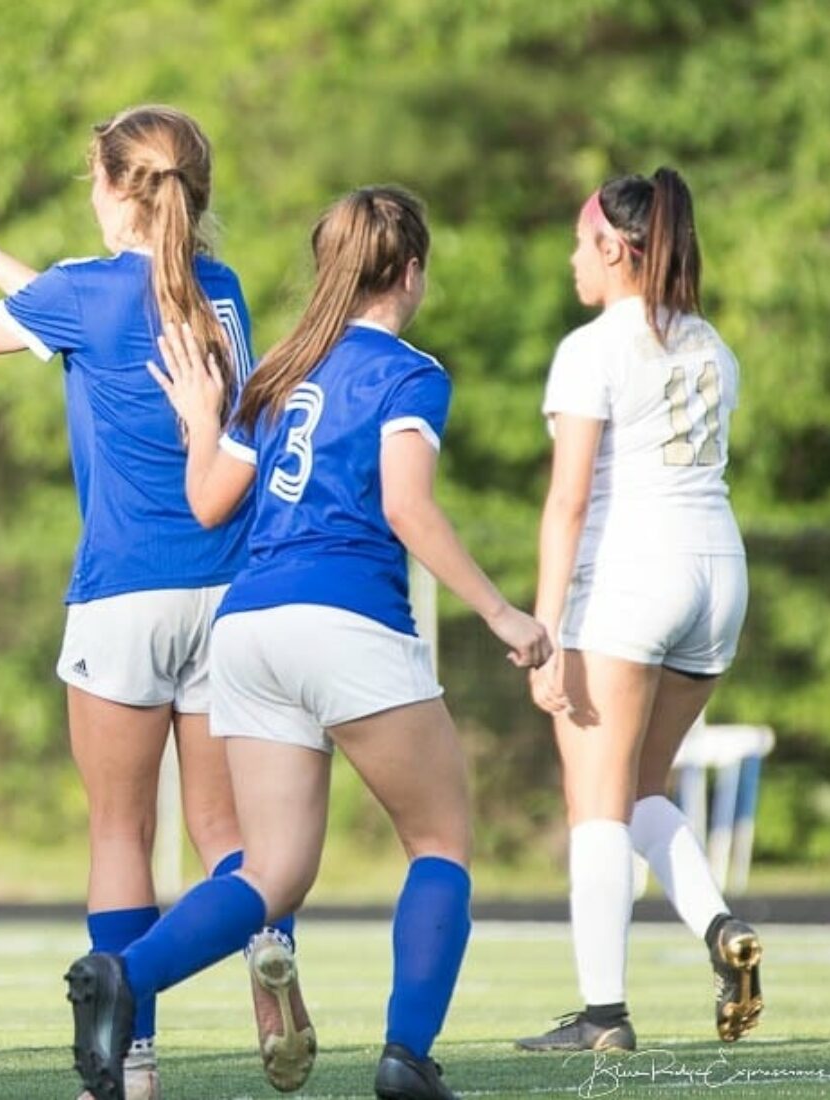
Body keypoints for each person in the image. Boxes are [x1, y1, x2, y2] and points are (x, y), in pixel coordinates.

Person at [63, 186, 551, 1100]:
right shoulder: (409, 372)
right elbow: (406, 506)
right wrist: (502, 614)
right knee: (440, 839)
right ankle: (408, 1055)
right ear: (410, 273)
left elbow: (210, 501)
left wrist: (203, 421)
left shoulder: (280, 370)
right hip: (345, 616)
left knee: (274, 870)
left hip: (246, 627)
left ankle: (128, 976)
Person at [0, 109, 306, 1097]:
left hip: (124, 593)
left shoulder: (88, 291)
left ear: (113, 187)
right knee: (224, 827)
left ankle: (132, 1059)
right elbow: (79, 310)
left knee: (121, 832)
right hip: (227, 586)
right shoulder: (222, 292)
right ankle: (267, 951)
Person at [516, 168, 760, 1053]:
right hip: (718, 574)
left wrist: (545, 630)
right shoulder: (711, 344)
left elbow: (569, 503)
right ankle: (721, 929)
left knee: (596, 802)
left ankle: (603, 1016)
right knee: (642, 786)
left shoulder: (594, 347)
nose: (572, 257)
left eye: (583, 243)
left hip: (634, 572)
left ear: (617, 249)